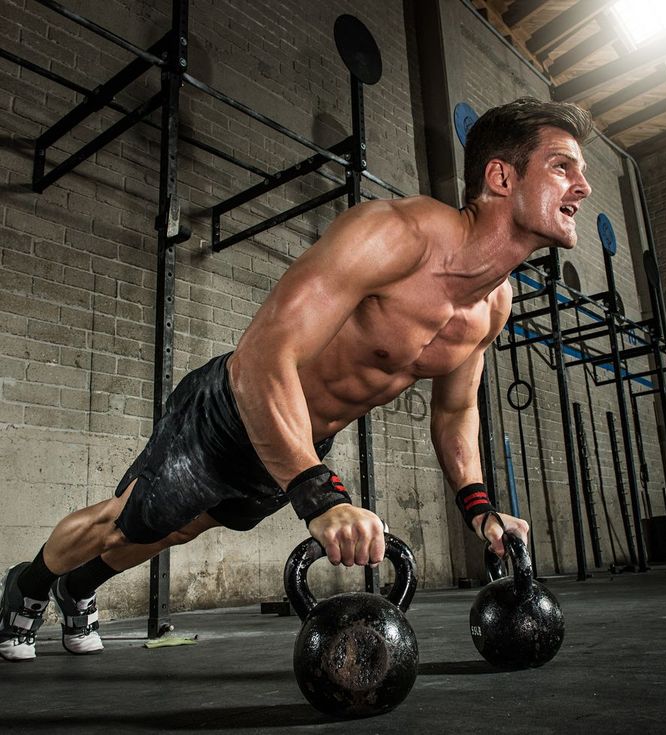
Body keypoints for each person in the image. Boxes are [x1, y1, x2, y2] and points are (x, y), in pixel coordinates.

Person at [0, 97, 592, 662]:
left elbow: (455, 412)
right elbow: (263, 354)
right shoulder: (397, 235)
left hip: (302, 443)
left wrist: (479, 509)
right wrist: (321, 499)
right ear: (501, 177)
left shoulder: (493, 305)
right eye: (562, 167)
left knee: (173, 532)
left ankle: (77, 588)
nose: (582, 187)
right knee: (127, 518)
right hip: (234, 410)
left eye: (582, 173)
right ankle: (27, 586)